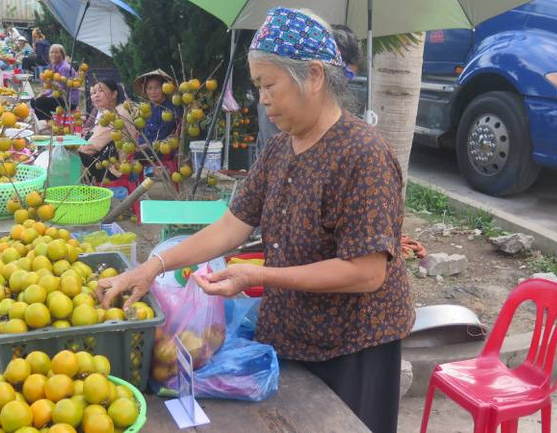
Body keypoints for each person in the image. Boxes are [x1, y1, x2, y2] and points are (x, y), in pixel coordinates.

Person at [95, 7, 412, 433]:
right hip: (293, 330)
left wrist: (260, 275)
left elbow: (366, 273)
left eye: (269, 85)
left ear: (314, 77)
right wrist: (153, 267)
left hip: (354, 346)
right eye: (258, 86)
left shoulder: (363, 156)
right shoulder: (281, 149)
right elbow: (231, 226)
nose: (261, 98)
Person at [256, 23, 363, 157]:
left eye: (350, 77)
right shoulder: (283, 106)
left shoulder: (363, 146)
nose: (344, 84)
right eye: (346, 74)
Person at [79, 79, 136, 183]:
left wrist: (77, 157)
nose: (96, 95)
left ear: (114, 94)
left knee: (72, 159)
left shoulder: (115, 115)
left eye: (101, 91)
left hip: (113, 170)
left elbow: (92, 146)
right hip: (115, 165)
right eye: (94, 93)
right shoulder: (114, 111)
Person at [31, 44, 80, 120]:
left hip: (68, 100)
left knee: (39, 102)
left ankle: (47, 123)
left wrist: (47, 95)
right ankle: (48, 121)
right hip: (59, 96)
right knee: (33, 101)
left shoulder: (65, 68)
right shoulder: (54, 66)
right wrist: (45, 93)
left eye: (56, 52)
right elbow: (54, 87)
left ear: (62, 55)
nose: (53, 54)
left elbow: (61, 89)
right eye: (52, 52)